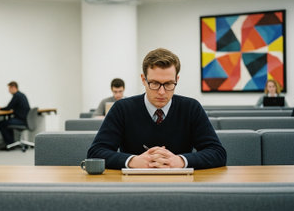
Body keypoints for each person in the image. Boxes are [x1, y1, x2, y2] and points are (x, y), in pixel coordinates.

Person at [87, 48, 226, 170]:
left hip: (182, 185)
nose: (161, 92)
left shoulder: (191, 108)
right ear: (143, 79)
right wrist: (132, 161)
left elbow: (217, 152)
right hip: (132, 186)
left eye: (169, 84)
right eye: (154, 83)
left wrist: (180, 161)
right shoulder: (122, 108)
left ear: (177, 79)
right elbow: (96, 152)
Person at [0, 81, 30, 151]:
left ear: (13, 87)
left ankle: (9, 144)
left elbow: (9, 107)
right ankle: (11, 143)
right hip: (25, 120)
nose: (8, 91)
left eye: (9, 89)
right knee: (8, 122)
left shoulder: (17, 96)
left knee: (1, 124)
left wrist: (0, 109)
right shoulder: (22, 95)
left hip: (21, 120)